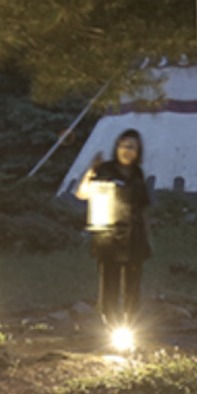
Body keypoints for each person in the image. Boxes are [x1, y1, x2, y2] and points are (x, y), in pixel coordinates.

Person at [77, 130, 152, 328]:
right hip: (109, 236)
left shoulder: (137, 173)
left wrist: (147, 236)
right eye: (124, 146)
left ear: (138, 151)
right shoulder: (106, 169)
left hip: (134, 235)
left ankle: (130, 325)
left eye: (132, 147)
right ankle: (110, 325)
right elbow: (82, 193)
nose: (127, 151)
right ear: (117, 147)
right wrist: (91, 170)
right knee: (109, 283)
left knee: (133, 285)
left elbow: (143, 206)